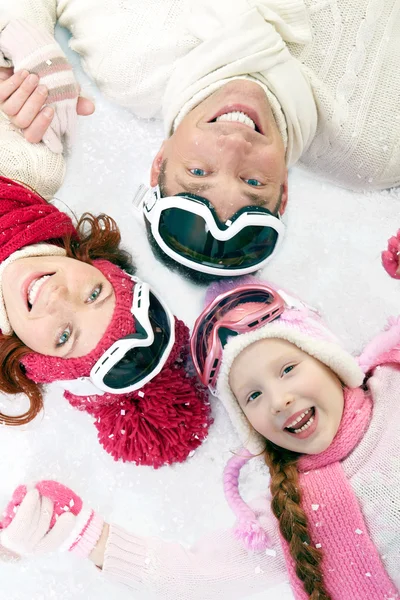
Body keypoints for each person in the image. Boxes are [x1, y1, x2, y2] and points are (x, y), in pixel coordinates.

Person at [1, 280, 399, 599]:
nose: (280, 400)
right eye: (253, 396)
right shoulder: (291, 514)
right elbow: (195, 575)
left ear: (329, 360)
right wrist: (83, 531)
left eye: (289, 368)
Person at [2, 1, 400, 279]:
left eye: (198, 171)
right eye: (253, 182)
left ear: (159, 161)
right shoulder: (378, 146)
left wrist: (25, 38)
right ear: (283, 194)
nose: (233, 145)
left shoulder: (128, 61)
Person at [0, 175, 211, 468]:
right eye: (94, 294)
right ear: (99, 267)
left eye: (64, 336)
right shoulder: (34, 170)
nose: (57, 296)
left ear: (30, 357)